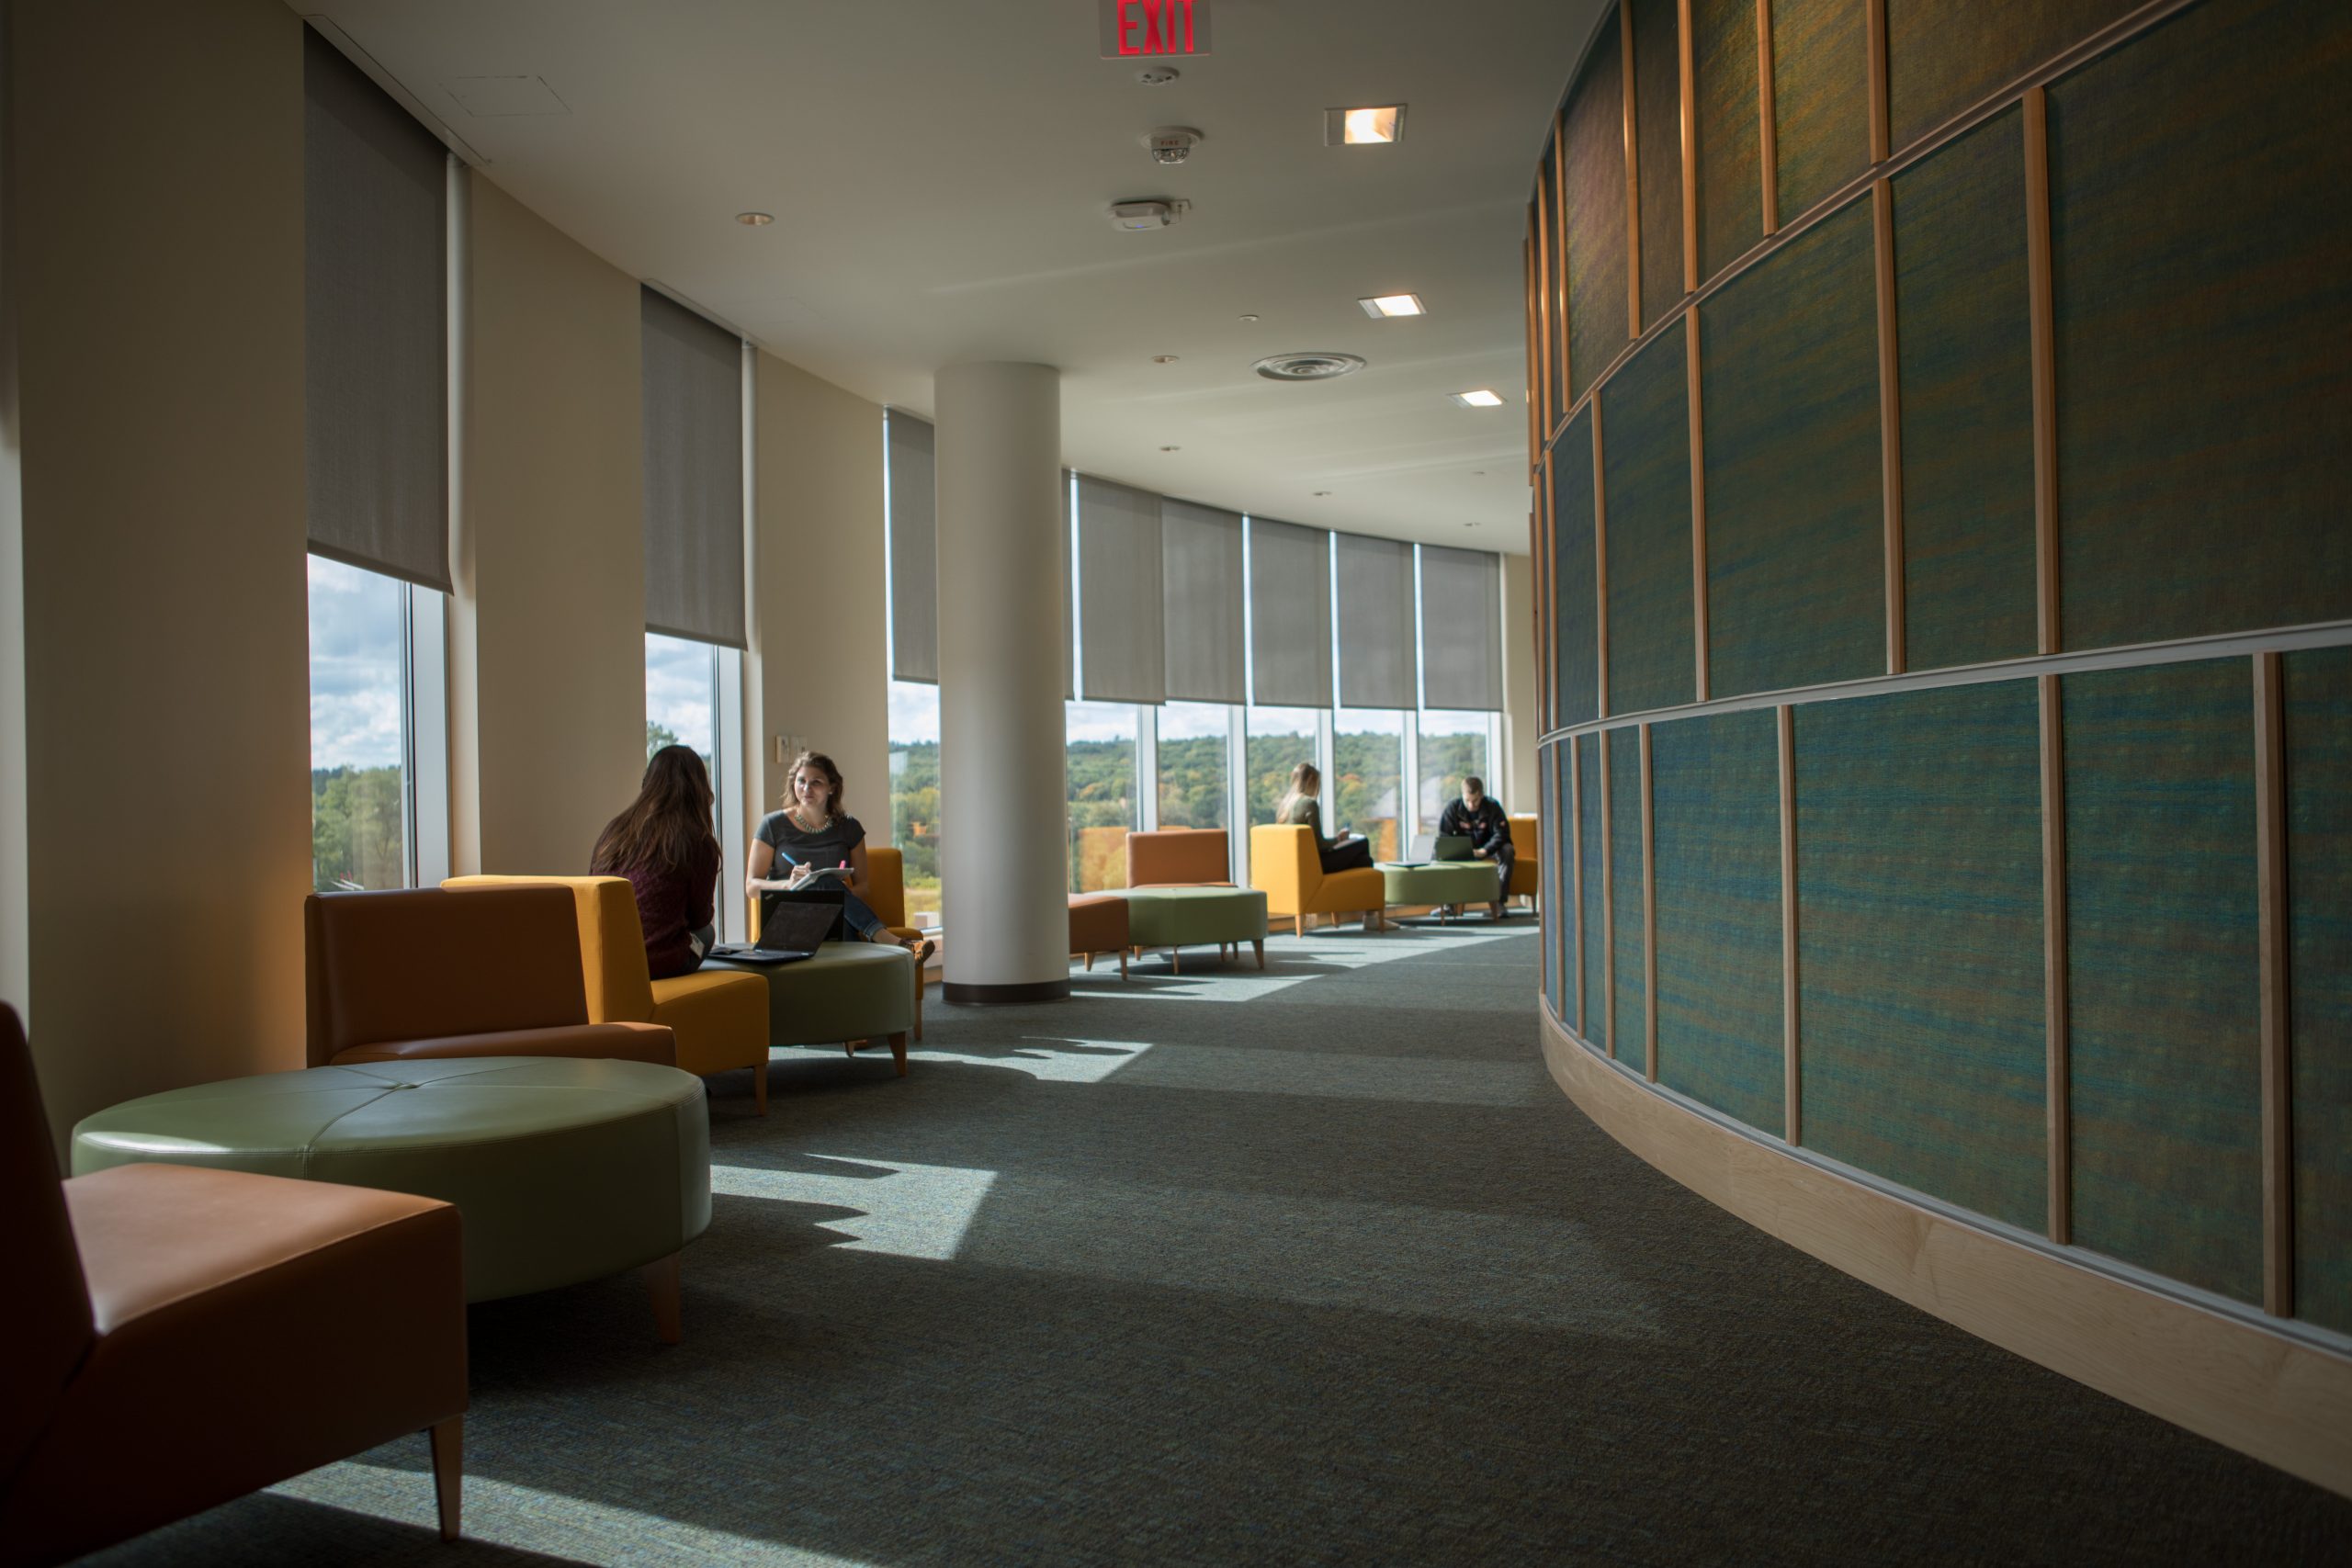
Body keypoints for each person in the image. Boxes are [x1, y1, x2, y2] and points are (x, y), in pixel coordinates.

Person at [746, 749, 933, 964]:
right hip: (788, 918)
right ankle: (890, 941)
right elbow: (751, 887)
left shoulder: (849, 828)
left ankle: (854, 983)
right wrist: (789, 885)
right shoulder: (772, 825)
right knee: (823, 882)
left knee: (830, 896)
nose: (806, 788)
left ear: (832, 788)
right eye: (801, 781)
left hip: (833, 918)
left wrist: (834, 901)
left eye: (816, 782)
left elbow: (863, 887)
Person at [590, 744, 723, 979]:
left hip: (606, 959)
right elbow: (700, 918)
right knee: (707, 933)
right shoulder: (695, 840)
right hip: (657, 962)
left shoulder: (615, 831)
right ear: (699, 788)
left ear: (648, 781)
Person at [1274, 761, 1374, 874]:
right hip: (1315, 864)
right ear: (1311, 780)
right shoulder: (1309, 803)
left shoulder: (1284, 805)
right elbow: (1320, 846)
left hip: (1296, 865)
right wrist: (1340, 838)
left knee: (1364, 861)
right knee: (1363, 842)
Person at [1438, 775, 1514, 920]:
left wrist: (1485, 850)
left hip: (1488, 849)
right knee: (1439, 854)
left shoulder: (1493, 807)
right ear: (1462, 796)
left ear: (1482, 795)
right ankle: (1449, 905)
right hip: (1462, 851)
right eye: (1467, 801)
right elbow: (1444, 836)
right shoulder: (1453, 808)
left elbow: (1502, 834)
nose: (1471, 805)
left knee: (1507, 850)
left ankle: (1500, 903)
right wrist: (1459, 850)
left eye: (1475, 801)